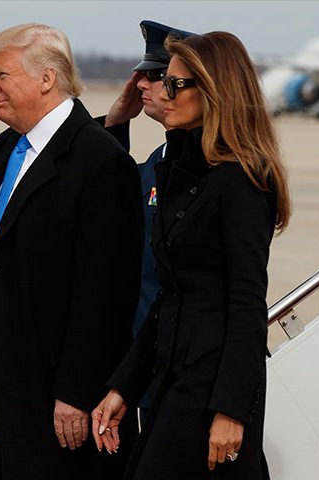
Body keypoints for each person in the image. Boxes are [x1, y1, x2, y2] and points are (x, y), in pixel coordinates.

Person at [0, 23, 142, 480]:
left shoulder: (99, 161)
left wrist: (77, 391)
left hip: (45, 390)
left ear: (46, 79)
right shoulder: (7, 147)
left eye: (1, 74)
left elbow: (106, 294)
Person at [91, 31, 291, 479]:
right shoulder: (179, 168)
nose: (164, 92)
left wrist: (232, 411)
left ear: (214, 90)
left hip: (210, 387)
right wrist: (125, 385)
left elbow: (245, 303)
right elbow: (170, 296)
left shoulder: (240, 180)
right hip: (172, 376)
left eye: (177, 84)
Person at [101, 20, 193, 338]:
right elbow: (108, 196)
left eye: (155, 76)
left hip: (173, 347)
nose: (141, 84)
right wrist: (115, 124)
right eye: (142, 75)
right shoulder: (160, 158)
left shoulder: (209, 168)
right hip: (136, 347)